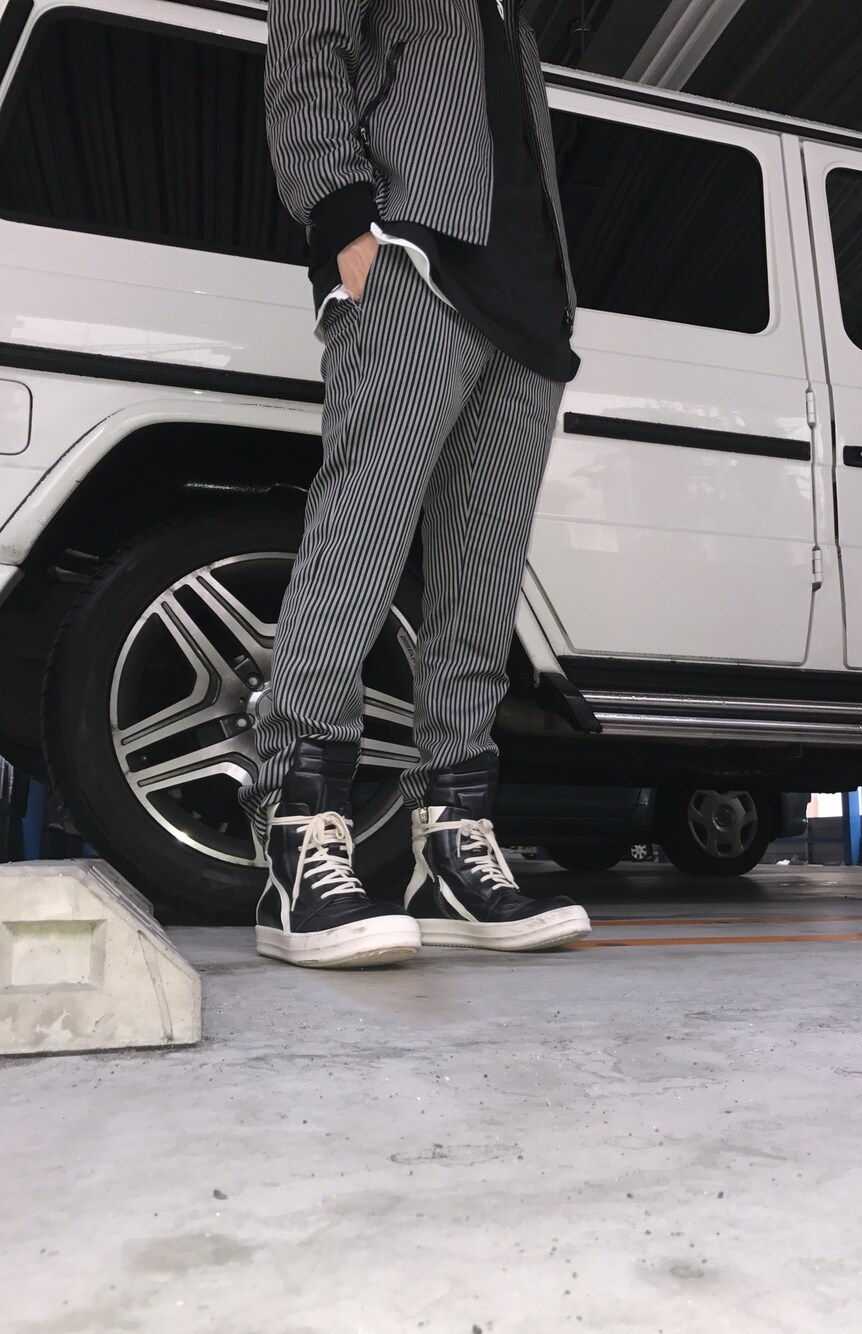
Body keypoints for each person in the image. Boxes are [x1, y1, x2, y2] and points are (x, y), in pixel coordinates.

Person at [241, 0, 592, 968]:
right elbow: (306, 40)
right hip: (414, 258)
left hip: (528, 309)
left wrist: (559, 298)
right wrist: (340, 215)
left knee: (482, 586)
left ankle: (451, 846)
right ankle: (295, 827)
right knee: (358, 539)